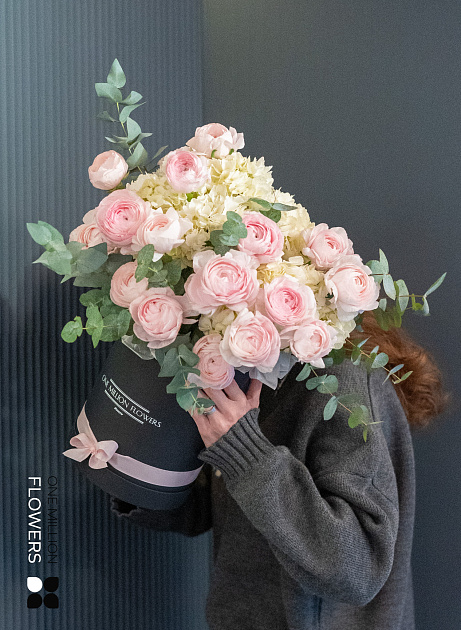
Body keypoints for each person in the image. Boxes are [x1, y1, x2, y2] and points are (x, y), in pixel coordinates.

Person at [110, 312, 450, 630]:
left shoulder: (343, 379)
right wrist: (130, 474)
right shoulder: (253, 366)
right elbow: (226, 510)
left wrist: (245, 453)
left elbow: (358, 568)